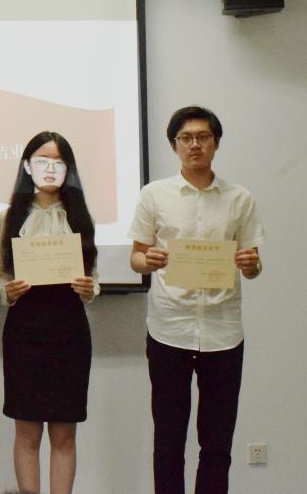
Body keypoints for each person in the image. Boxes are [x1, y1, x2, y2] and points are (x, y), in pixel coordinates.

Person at [129, 106, 264, 494]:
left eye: (203, 137)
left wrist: (251, 264)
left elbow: (254, 264)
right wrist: (147, 261)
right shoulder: (154, 195)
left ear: (216, 143)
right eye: (186, 138)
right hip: (169, 329)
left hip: (224, 332)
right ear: (174, 145)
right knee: (168, 442)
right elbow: (136, 257)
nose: (195, 145)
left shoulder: (240, 199)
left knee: (217, 444)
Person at [0, 131, 100, 494]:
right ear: (27, 166)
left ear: (68, 169)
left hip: (69, 331)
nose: (50, 168)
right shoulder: (9, 217)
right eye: (42, 161)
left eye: (58, 162)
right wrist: (7, 291)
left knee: (64, 433)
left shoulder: (81, 216)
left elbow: (93, 278)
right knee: (26, 431)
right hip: (24, 330)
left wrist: (89, 288)